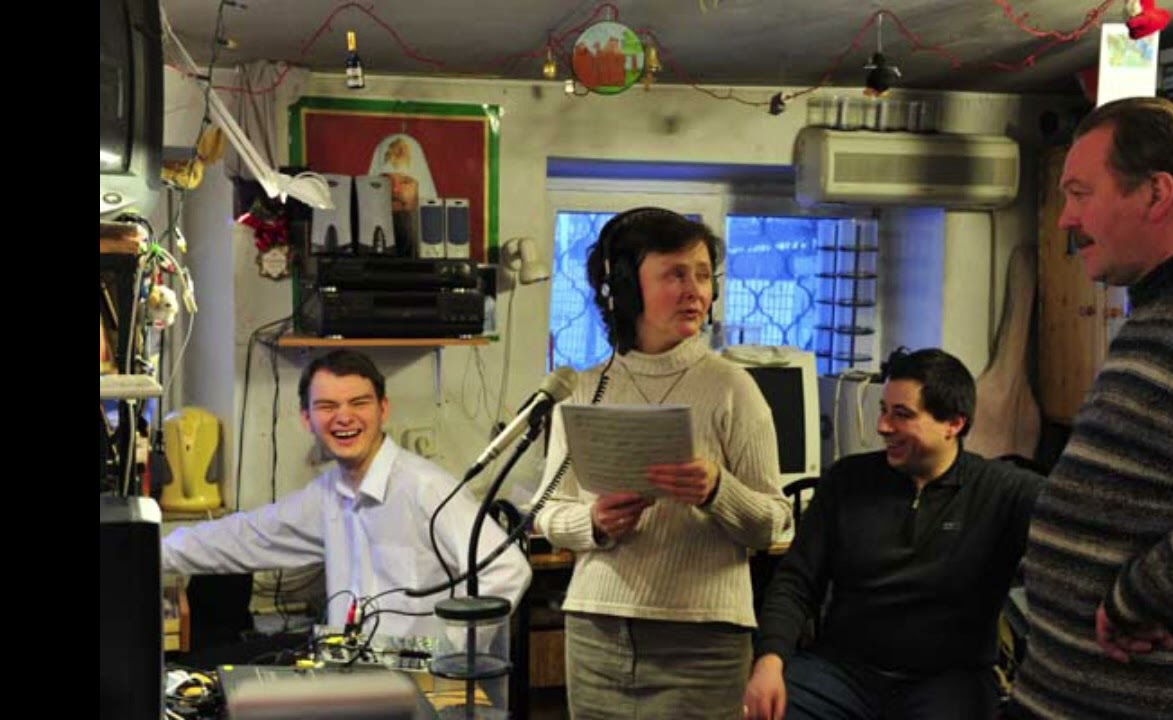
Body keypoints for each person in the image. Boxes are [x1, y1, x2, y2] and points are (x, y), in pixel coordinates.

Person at [532, 207, 793, 719]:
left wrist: (717, 490)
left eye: (703, 275)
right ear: (625, 289)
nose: (696, 291)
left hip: (702, 641)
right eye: (676, 274)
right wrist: (594, 522)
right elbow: (546, 513)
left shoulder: (733, 388)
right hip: (597, 632)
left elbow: (773, 524)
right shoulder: (584, 389)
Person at [744, 348, 1045, 720]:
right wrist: (770, 661)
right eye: (883, 410)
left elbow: (1075, 520)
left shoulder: (1003, 491)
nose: (883, 427)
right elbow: (795, 582)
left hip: (948, 680)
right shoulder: (846, 480)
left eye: (902, 414)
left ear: (953, 423)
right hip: (841, 673)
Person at [162, 349, 532, 643]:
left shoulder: (425, 488)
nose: (344, 417)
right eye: (326, 406)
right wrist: (147, 552)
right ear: (306, 418)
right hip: (358, 681)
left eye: (359, 403)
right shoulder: (328, 494)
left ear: (383, 409)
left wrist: (451, 656)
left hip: (423, 692)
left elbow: (506, 571)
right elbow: (244, 537)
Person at [1009, 97, 1173, 719]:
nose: (1065, 219)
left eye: (1080, 193)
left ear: (1156, 193)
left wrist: (1139, 597)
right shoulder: (1154, 318)